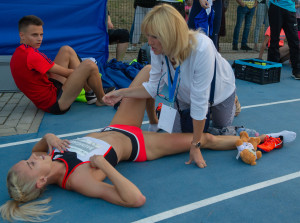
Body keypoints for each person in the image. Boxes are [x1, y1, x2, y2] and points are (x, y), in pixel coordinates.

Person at [1, 64, 296, 222]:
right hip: (138, 146)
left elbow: (38, 147)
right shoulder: (77, 180)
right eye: (30, 164)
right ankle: (261, 139)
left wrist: (47, 138)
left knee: (145, 74)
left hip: (116, 126)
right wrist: (105, 166)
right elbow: (135, 199)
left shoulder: (48, 156)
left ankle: (155, 118)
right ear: (41, 181)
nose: (34, 157)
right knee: (202, 139)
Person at [103, 4, 237, 169]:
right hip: (184, 95)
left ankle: (233, 101)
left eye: (154, 36)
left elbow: (200, 100)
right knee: (177, 135)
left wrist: (196, 145)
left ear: (169, 35)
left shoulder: (202, 47)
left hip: (220, 92)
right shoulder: (157, 49)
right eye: (147, 35)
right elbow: (153, 88)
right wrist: (122, 93)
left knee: (222, 126)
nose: (149, 42)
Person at [10, 15, 113, 115]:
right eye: (34, 35)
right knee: (89, 65)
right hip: (56, 103)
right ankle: (101, 98)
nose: (39, 39)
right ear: (22, 35)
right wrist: (84, 75)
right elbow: (68, 74)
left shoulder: (20, 52)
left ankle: (90, 93)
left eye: (41, 34)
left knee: (66, 50)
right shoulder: (32, 55)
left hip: (51, 92)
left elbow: (48, 73)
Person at [267, 0, 300, 79]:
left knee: (294, 41)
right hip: (276, 7)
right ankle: (272, 69)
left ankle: (297, 70)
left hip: (290, 9)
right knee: (274, 39)